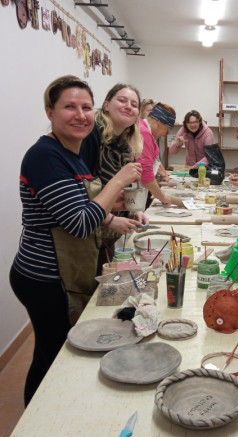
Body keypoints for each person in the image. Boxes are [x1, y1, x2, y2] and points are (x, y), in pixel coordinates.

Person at [9, 75, 142, 406]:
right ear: (50, 112)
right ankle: (40, 422)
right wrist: (119, 181)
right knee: (53, 357)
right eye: (70, 107)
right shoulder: (45, 156)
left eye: (85, 107)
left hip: (67, 271)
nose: (80, 115)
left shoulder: (74, 153)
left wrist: (111, 218)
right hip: (45, 277)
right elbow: (80, 223)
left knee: (54, 353)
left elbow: (79, 205)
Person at [81, 83, 149, 271]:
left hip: (105, 238)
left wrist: (133, 210)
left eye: (134, 104)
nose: (128, 106)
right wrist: (110, 219)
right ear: (106, 105)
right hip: (88, 235)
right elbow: (83, 193)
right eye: (122, 100)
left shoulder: (125, 145)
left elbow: (118, 192)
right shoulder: (92, 136)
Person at [137, 102, 184, 207]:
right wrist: (162, 196)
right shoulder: (143, 132)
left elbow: (153, 160)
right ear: (158, 122)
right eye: (166, 130)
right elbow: (146, 173)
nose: (164, 134)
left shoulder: (144, 129)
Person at [139, 99, 170, 182]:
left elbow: (155, 159)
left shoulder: (150, 132)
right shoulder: (143, 131)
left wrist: (164, 174)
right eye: (149, 111)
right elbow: (146, 169)